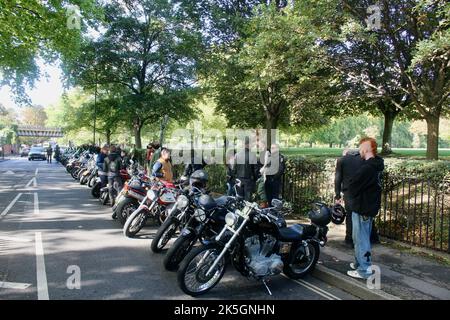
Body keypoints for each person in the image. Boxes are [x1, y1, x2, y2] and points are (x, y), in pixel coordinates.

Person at [346, 137, 384, 279]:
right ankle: (359, 264)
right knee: (360, 239)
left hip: (363, 208)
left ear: (367, 148)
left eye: (361, 147)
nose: (359, 150)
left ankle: (364, 270)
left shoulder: (368, 168)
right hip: (367, 207)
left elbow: (353, 185)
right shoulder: (375, 166)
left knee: (361, 240)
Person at [335, 149, 380, 247]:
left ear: (345, 154)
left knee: (350, 216)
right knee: (366, 214)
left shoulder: (342, 160)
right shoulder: (363, 159)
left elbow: (338, 178)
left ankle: (349, 240)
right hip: (364, 191)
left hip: (349, 192)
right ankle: (373, 238)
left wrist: (337, 195)